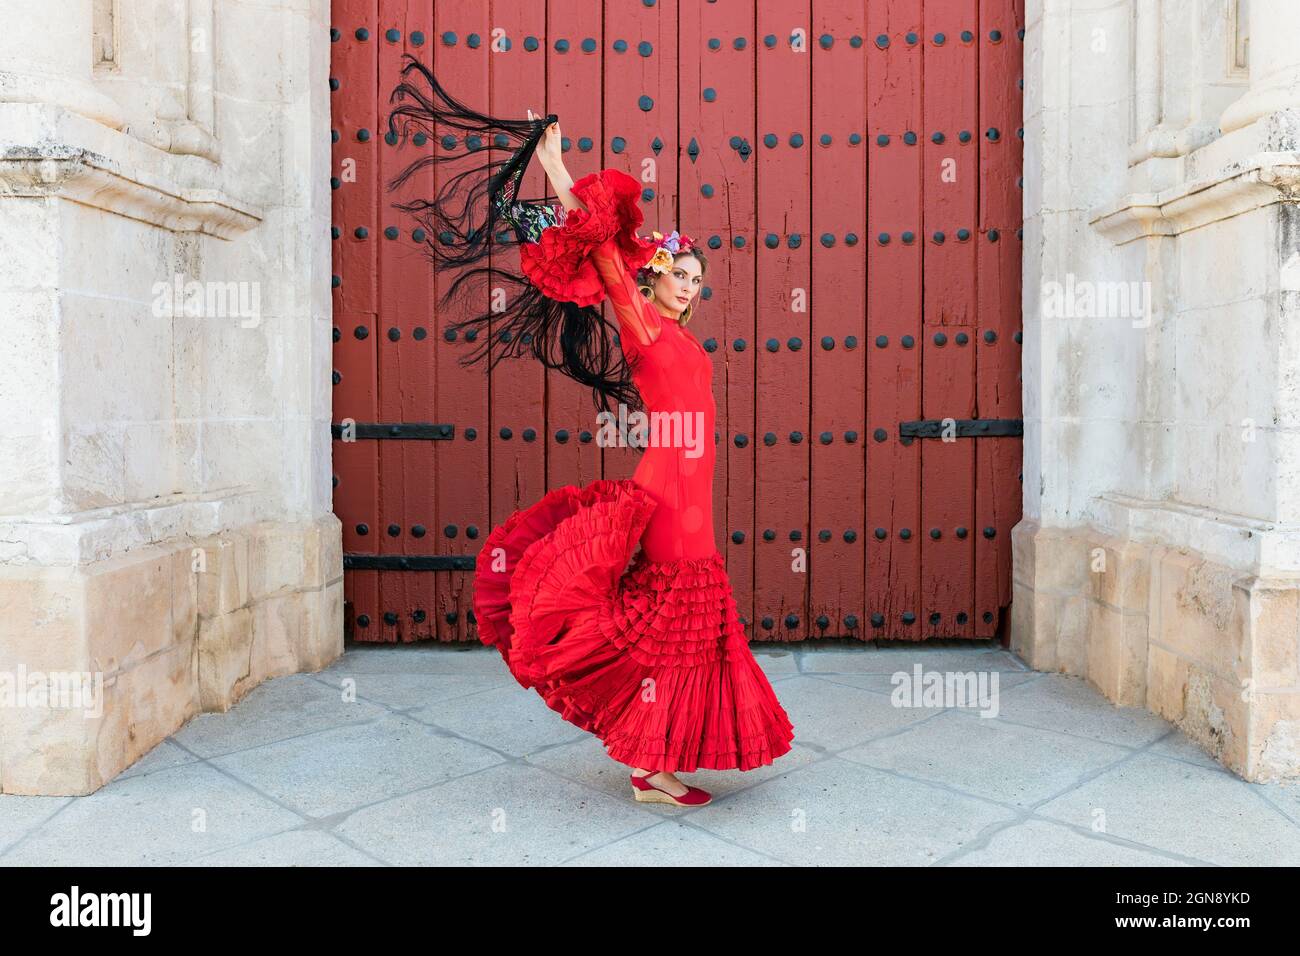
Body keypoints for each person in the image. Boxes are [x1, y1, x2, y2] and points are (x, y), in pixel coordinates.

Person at [386, 58, 795, 807]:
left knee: (692, 626)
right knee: (672, 626)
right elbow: (605, 253)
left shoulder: (682, 338)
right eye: (679, 276)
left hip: (694, 492)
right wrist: (554, 163)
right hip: (667, 495)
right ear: (653, 282)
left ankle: (656, 759)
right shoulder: (641, 330)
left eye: (698, 283)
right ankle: (649, 769)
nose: (689, 289)